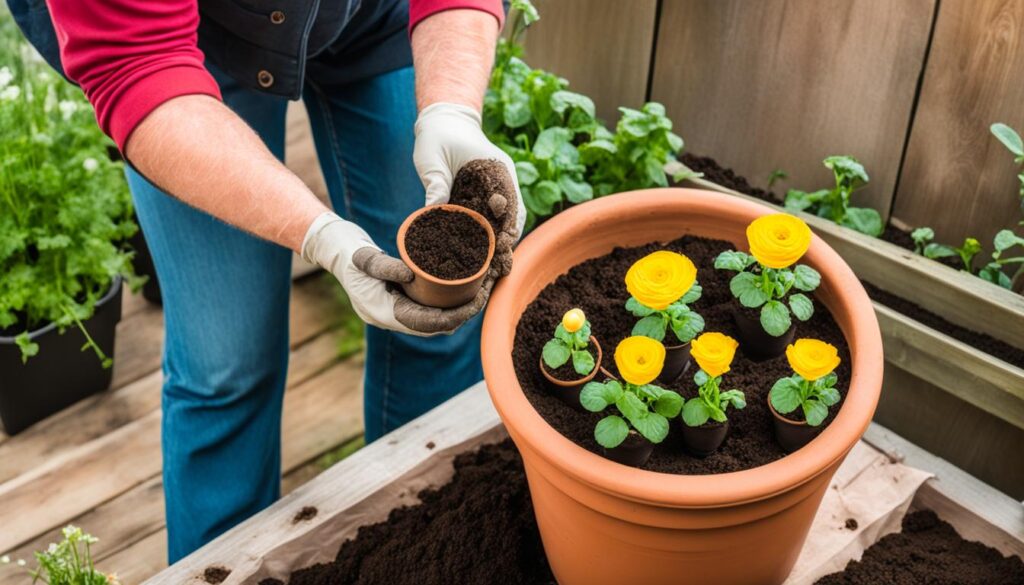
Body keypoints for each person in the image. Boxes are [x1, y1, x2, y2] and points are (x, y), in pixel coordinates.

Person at [8, 0, 524, 562]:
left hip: (371, 15)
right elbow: (140, 63)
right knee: (227, 365)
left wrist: (452, 111)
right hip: (183, 52)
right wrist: (321, 235)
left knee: (438, 316)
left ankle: (420, 551)